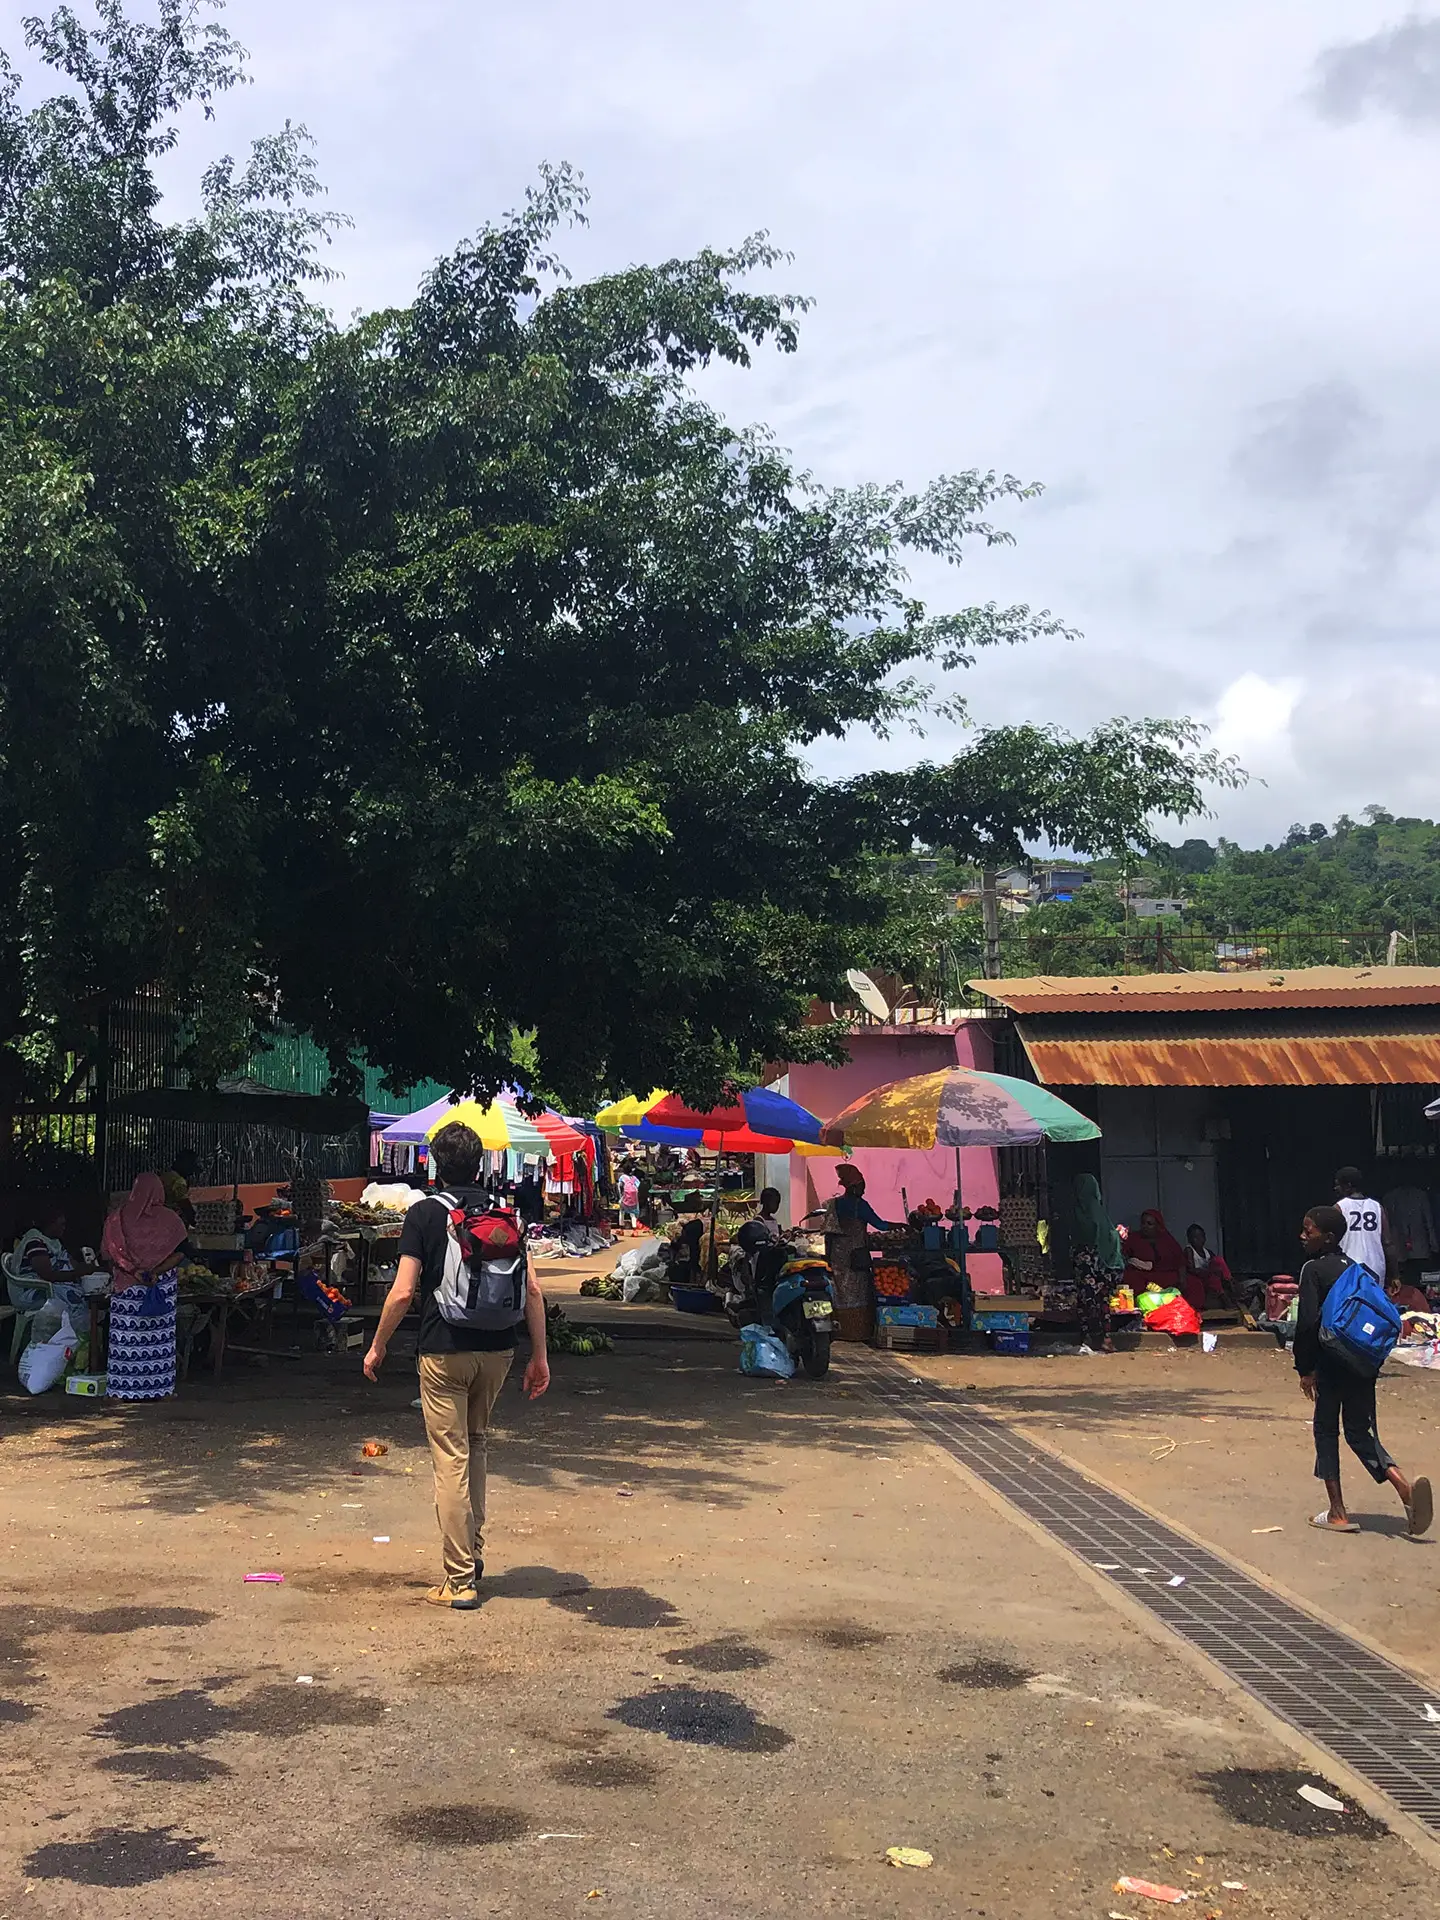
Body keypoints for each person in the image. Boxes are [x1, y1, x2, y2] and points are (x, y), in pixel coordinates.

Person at [363, 1122, 550, 1609]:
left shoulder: (424, 1214)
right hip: (499, 1348)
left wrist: (378, 1345)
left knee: (451, 1457)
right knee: (479, 1443)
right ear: (481, 1163)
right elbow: (531, 1290)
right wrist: (540, 1357)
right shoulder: (505, 1214)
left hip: (443, 1348)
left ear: (434, 1164)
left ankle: (460, 1578)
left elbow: (403, 1291)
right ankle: (476, 1553)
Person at [1293, 1202, 1431, 1536]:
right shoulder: (1357, 1268)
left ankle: (1337, 1512)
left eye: (1308, 1231)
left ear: (1327, 1238)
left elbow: (1308, 1322)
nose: (1302, 1236)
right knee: (1359, 1431)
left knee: (1326, 1431)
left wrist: (1305, 1368)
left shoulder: (1313, 1269)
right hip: (1362, 1363)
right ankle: (1403, 1486)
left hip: (1330, 1363)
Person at [101, 1174, 189, 1401]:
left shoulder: (116, 1220)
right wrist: (156, 1271)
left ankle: (120, 1391)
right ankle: (161, 1389)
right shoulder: (172, 1220)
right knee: (160, 1339)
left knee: (125, 1338)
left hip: (127, 1289)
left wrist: (132, 1270)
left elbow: (107, 1253)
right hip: (159, 1288)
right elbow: (182, 1252)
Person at [824, 1166, 903, 1312]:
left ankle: (842, 1326)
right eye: (862, 1187)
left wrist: (828, 1257)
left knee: (839, 1292)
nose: (864, 1191)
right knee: (858, 1294)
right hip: (856, 1256)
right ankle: (858, 1327)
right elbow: (881, 1225)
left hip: (836, 1257)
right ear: (853, 1187)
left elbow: (828, 1235)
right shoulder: (860, 1205)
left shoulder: (831, 1204)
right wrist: (902, 1225)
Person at [1070, 1174, 1121, 1353]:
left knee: (1086, 1300)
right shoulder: (1098, 1211)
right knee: (1101, 1300)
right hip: (1103, 1264)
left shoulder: (1080, 1211)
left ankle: (1088, 1338)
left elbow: (1086, 1235)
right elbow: (1109, 1237)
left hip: (1088, 1261)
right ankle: (1105, 1338)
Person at [1333, 1167, 1393, 1280]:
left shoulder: (1339, 1207)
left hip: (1347, 1266)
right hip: (1375, 1266)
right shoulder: (1377, 1207)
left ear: (1348, 1185)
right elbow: (1388, 1243)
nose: (1335, 1188)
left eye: (1338, 1185)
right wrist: (1395, 1275)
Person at [1181, 1223, 1234, 1315]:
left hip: (1208, 1275)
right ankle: (1224, 1296)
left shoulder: (1207, 1251)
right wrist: (1207, 1272)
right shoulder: (1189, 1250)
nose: (1198, 1240)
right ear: (1189, 1239)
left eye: (1201, 1237)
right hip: (1197, 1277)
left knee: (1218, 1260)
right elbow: (1191, 1269)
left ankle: (1229, 1280)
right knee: (1213, 1278)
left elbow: (1216, 1264)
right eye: (1195, 1237)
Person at [160, 1148, 202, 1226]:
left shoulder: (165, 1175)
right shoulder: (179, 1181)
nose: (191, 1173)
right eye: (192, 1168)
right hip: (170, 1222)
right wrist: (197, 1223)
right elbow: (185, 1206)